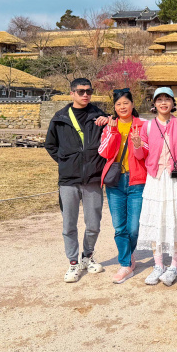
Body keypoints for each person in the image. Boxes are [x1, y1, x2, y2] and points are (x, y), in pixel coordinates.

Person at [44, 78, 110, 283]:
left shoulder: (99, 116)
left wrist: (109, 121)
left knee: (93, 224)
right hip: (68, 180)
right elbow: (50, 145)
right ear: (71, 93)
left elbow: (114, 135)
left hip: (93, 179)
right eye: (80, 91)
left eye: (89, 91)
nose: (85, 95)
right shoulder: (59, 118)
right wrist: (66, 162)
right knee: (69, 225)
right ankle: (73, 262)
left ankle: (87, 256)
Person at [137, 87, 177, 286]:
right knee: (156, 221)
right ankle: (158, 264)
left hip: (175, 179)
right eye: (159, 100)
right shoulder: (146, 126)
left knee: (176, 219)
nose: (163, 103)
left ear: (173, 103)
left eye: (167, 99)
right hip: (155, 178)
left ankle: (174, 265)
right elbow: (140, 156)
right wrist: (137, 145)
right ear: (154, 104)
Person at [98, 88, 148, 284]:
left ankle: (129, 253)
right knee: (120, 226)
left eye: (125, 103)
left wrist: (137, 145)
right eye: (118, 104)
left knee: (134, 227)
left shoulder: (143, 126)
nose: (122, 107)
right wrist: (111, 131)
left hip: (137, 181)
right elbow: (105, 153)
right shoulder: (110, 126)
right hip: (115, 182)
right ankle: (126, 263)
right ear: (115, 107)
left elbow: (144, 155)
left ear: (133, 105)